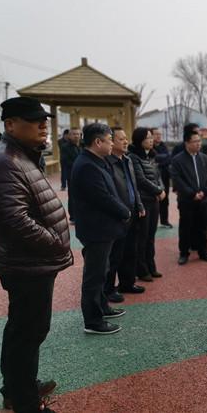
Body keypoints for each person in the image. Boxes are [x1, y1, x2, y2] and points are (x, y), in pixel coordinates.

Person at [0, 96, 73, 413]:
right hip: (27, 264)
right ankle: (25, 401)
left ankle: (17, 387)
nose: (43, 124)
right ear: (10, 125)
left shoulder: (19, 155)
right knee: (28, 333)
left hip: (28, 263)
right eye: (33, 119)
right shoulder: (4, 161)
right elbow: (14, 220)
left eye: (44, 119)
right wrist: (55, 242)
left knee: (22, 330)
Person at [70, 122, 130, 335]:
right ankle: (93, 321)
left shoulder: (96, 161)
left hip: (103, 228)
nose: (112, 143)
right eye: (109, 140)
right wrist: (124, 211)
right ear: (97, 142)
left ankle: (102, 307)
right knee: (94, 276)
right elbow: (103, 198)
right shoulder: (87, 165)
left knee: (102, 271)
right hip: (97, 229)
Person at [105, 127, 146, 303]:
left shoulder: (127, 160)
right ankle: (108, 289)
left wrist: (139, 205)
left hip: (133, 211)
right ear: (111, 142)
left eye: (126, 138)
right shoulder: (107, 163)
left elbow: (133, 186)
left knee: (131, 250)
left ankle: (127, 283)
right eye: (121, 139)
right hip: (118, 215)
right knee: (114, 255)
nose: (125, 141)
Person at [170, 129, 207, 264]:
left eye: (199, 141)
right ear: (186, 143)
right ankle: (184, 253)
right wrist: (191, 194)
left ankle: (203, 252)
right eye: (194, 141)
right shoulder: (178, 160)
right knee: (186, 227)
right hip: (186, 200)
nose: (198, 144)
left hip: (203, 200)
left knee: (202, 227)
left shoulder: (205, 158)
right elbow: (177, 180)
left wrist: (205, 192)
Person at [128, 127, 166, 282]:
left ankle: (151, 266)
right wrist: (158, 191)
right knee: (142, 237)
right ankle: (142, 270)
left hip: (154, 201)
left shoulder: (151, 156)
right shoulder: (133, 157)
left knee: (151, 236)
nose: (151, 140)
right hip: (143, 201)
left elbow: (158, 176)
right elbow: (141, 180)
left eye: (151, 138)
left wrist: (161, 189)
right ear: (139, 140)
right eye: (148, 138)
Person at [152, 127, 173, 228]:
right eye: (156, 134)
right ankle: (153, 222)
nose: (159, 136)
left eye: (160, 134)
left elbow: (169, 159)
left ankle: (164, 221)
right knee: (154, 200)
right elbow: (153, 159)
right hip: (153, 178)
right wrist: (162, 158)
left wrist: (160, 159)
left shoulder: (164, 146)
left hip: (164, 176)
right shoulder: (150, 147)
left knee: (165, 199)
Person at [61, 127, 81, 223]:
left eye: (78, 134)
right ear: (69, 135)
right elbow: (66, 161)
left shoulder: (82, 145)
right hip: (71, 174)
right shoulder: (65, 147)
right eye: (74, 134)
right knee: (72, 196)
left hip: (82, 174)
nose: (76, 136)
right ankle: (73, 216)